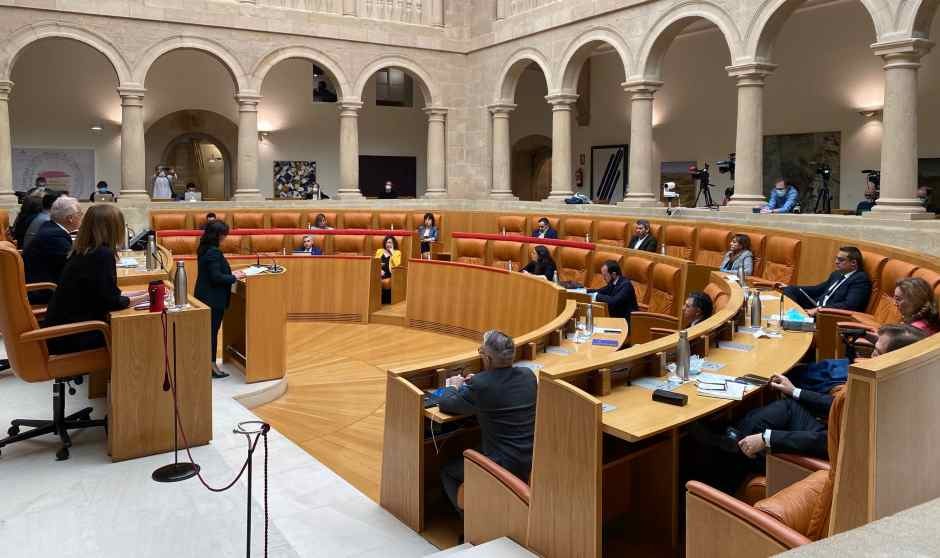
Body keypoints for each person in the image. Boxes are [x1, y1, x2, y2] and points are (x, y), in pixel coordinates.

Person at [692, 324, 925, 494]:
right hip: (829, 434)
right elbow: (838, 406)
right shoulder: (899, 385)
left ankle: (723, 452)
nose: (868, 357)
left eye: (877, 352)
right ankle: (730, 436)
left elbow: (829, 443)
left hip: (829, 455)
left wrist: (766, 439)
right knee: (788, 405)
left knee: (752, 438)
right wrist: (794, 390)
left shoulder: (888, 403)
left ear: (896, 359)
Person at [438, 330, 537, 514]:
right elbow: (500, 388)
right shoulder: (528, 376)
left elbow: (446, 403)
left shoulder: (482, 385)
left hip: (503, 463)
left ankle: (471, 524)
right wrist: (478, 381)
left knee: (448, 472)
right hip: (530, 457)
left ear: (488, 359)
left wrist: (452, 385)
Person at [44, 205, 147, 354]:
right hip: (74, 336)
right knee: (138, 332)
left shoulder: (84, 249)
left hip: (59, 332)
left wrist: (141, 294)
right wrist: (147, 297)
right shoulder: (101, 255)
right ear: (114, 228)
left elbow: (105, 294)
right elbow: (112, 303)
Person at [194, 221, 247, 379]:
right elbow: (216, 277)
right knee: (211, 334)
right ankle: (211, 367)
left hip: (205, 297)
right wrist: (234, 276)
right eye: (224, 234)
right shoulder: (213, 252)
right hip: (213, 299)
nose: (226, 237)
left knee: (209, 333)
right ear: (217, 235)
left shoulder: (203, 249)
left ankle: (207, 364)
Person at [23, 196, 82, 304]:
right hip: (44, 292)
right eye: (80, 214)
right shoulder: (55, 236)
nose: (81, 217)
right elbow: (74, 266)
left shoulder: (50, 227)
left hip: (44, 284)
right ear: (70, 218)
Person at [780, 246, 871, 316]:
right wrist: (791, 287)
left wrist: (820, 309)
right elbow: (818, 289)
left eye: (841, 260)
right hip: (816, 306)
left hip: (828, 314)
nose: (836, 262)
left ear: (853, 263)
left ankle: (795, 319)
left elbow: (849, 305)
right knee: (790, 290)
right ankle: (791, 317)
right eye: (836, 258)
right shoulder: (837, 274)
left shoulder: (860, 279)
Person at [375, 235, 402, 304]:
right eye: (387, 243)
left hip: (390, 274)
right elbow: (375, 263)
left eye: (390, 243)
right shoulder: (380, 251)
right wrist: (378, 271)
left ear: (394, 244)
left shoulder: (397, 253)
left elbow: (397, 265)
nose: (388, 244)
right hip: (378, 272)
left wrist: (392, 253)